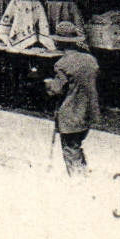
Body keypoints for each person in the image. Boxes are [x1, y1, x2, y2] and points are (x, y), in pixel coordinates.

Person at [45, 24, 101, 177]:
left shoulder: (62, 64)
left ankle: (78, 181)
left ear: (59, 42)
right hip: (88, 113)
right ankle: (83, 174)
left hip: (70, 114)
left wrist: (49, 84)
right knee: (76, 146)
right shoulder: (90, 60)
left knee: (70, 149)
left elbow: (56, 90)